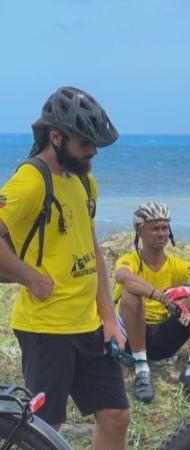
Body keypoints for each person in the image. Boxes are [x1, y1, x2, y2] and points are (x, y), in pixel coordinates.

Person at [0, 87, 129, 450]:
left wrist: (108, 318)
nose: (93, 151)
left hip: (90, 325)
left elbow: (93, 250)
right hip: (46, 327)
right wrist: (30, 278)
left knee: (116, 417)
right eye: (85, 141)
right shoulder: (31, 180)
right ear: (55, 137)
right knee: (44, 429)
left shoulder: (85, 180)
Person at [113, 201, 190, 404]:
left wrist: (186, 289)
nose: (161, 233)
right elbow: (123, 277)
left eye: (164, 227)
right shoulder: (131, 260)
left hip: (164, 338)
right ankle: (142, 370)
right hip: (132, 340)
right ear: (139, 230)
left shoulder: (175, 264)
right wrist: (161, 296)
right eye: (155, 228)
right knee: (130, 294)